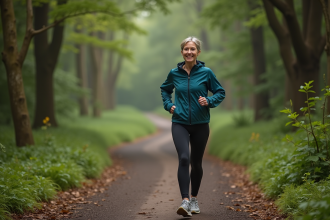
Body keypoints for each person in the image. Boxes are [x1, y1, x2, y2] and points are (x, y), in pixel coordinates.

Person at [160, 36, 226, 217]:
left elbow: (220, 91)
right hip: (179, 122)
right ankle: (185, 200)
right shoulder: (174, 73)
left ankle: (194, 198)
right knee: (183, 158)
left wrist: (209, 100)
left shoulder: (206, 72)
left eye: (192, 49)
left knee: (196, 164)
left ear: (198, 52)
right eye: (186, 49)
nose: (189, 52)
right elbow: (165, 89)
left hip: (201, 124)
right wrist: (168, 105)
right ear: (182, 52)